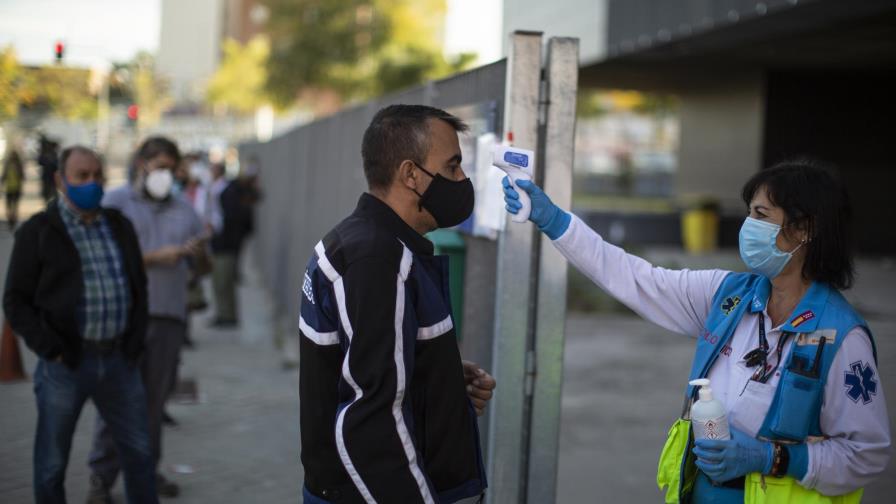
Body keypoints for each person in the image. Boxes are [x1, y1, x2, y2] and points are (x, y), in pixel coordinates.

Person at [502, 159, 890, 503]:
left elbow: (865, 454)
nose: (747, 226)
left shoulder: (842, 337)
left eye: (760, 214)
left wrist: (770, 457)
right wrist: (554, 220)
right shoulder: (727, 297)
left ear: (804, 228)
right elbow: (632, 277)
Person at [299, 105, 496, 504]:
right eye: (453, 166)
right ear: (411, 175)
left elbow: (364, 367)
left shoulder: (370, 245)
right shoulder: (377, 261)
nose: (462, 180)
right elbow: (374, 421)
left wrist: (438, 377)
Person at [3, 146, 157, 504]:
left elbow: (138, 287)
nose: (92, 183)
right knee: (51, 464)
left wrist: (135, 342)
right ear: (60, 180)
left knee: (140, 455)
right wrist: (50, 348)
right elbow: (15, 300)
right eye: (82, 176)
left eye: (97, 175)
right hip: (65, 366)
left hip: (120, 361)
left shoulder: (119, 225)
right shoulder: (38, 231)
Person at [88, 137, 209, 501]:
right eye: (159, 167)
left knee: (153, 405)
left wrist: (198, 254)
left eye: (172, 169)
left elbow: (203, 267)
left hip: (168, 318)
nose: (165, 175)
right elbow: (100, 260)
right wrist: (156, 257)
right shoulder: (115, 203)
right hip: (122, 319)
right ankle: (100, 479)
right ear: (141, 164)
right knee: (116, 401)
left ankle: (145, 473)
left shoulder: (185, 210)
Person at [209, 159, 259, 327]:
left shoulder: (228, 191)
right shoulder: (221, 189)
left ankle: (227, 316)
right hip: (222, 242)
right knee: (221, 281)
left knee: (223, 281)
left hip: (225, 244)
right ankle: (225, 314)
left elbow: (231, 218)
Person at [2, 146, 25, 229]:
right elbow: (4, 177)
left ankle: (13, 219)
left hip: (15, 188)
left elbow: (22, 177)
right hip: (10, 188)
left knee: (14, 205)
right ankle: (11, 219)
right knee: (10, 205)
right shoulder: (8, 165)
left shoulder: (17, 166)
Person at [37, 136, 60, 203]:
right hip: (48, 177)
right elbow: (40, 161)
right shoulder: (47, 154)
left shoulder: (52, 154)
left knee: (52, 193)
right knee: (48, 193)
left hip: (51, 177)